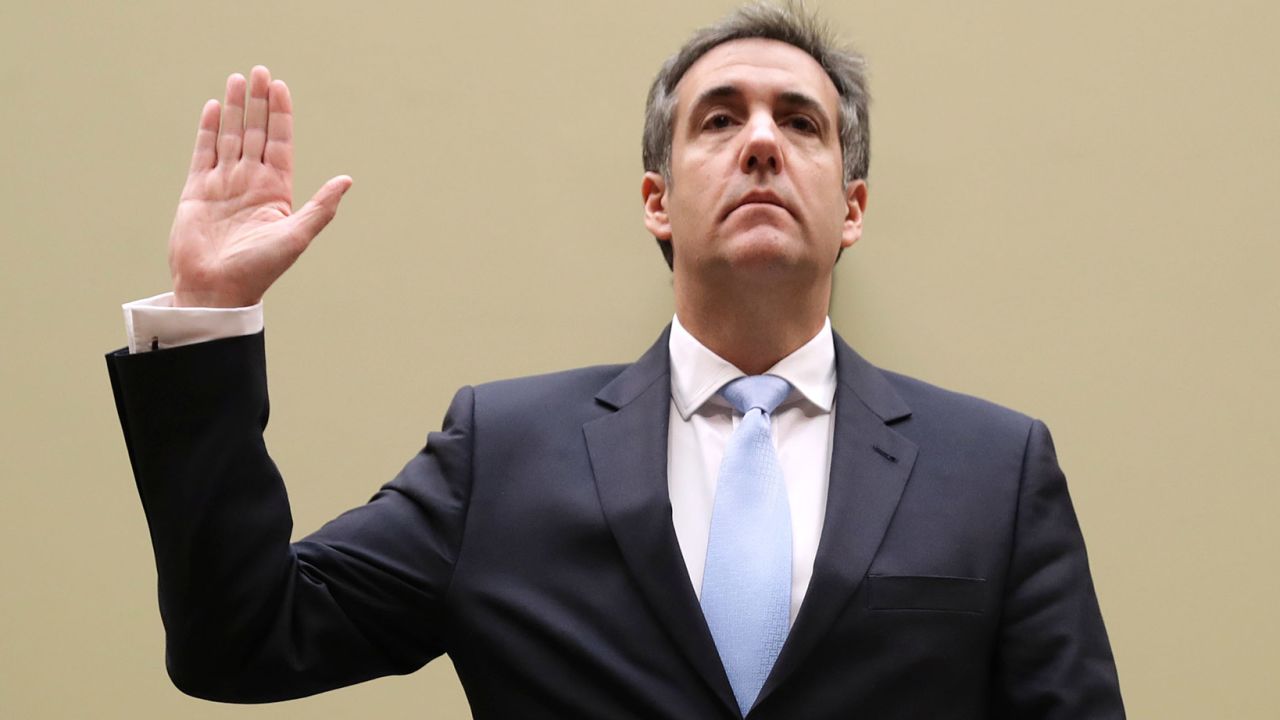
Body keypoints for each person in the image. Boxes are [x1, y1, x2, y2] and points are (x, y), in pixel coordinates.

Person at [106, 4, 1125, 718]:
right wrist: (209, 312)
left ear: (851, 208)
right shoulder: (498, 456)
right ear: (656, 200)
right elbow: (241, 644)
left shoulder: (993, 470)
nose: (760, 143)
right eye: (719, 119)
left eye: (799, 123)